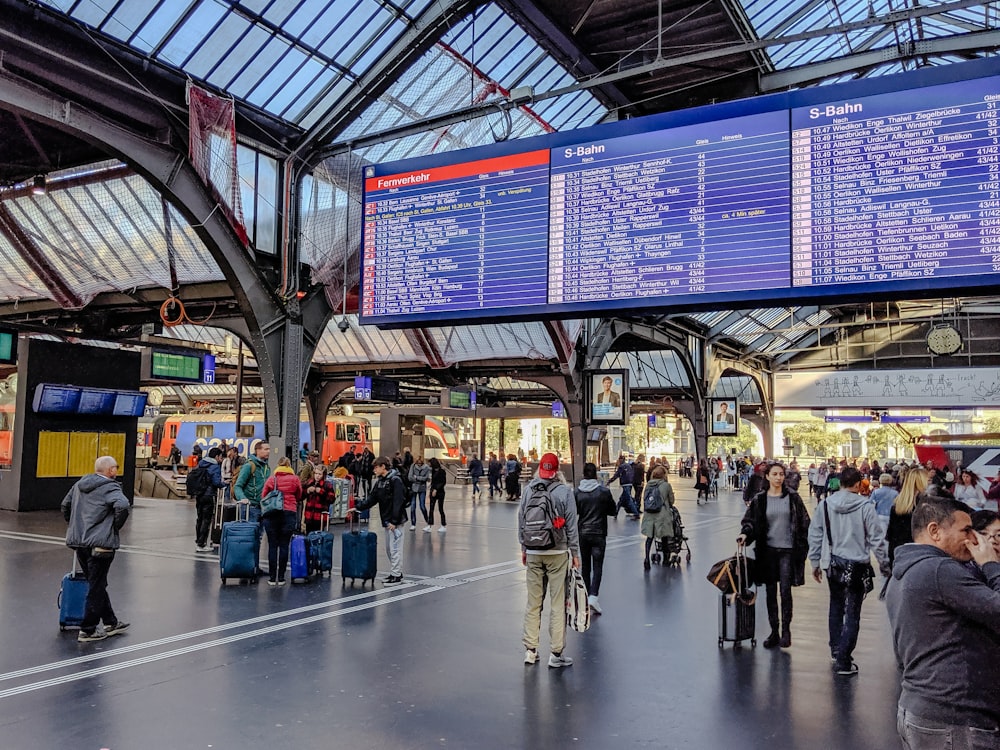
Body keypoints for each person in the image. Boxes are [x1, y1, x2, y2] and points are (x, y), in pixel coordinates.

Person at [886, 498, 1000, 748]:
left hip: (921, 709)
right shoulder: (939, 570)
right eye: (965, 530)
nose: (972, 539)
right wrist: (991, 565)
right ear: (934, 531)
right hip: (953, 717)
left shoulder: (905, 572)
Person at [808, 467, 890, 676]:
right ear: (857, 484)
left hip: (832, 561)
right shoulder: (865, 506)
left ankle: (836, 649)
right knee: (853, 610)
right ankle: (844, 658)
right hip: (857, 563)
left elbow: (816, 533)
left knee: (835, 605)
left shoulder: (825, 505)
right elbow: (876, 538)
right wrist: (884, 562)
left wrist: (815, 561)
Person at [738, 462, 811, 648]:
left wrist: (803, 546)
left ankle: (786, 630)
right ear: (767, 477)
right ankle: (774, 631)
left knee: (785, 591)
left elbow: (804, 522)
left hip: (788, 550)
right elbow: (750, 521)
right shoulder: (760, 500)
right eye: (775, 474)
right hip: (767, 551)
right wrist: (745, 533)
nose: (779, 477)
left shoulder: (793, 498)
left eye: (781, 474)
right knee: (770, 593)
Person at [519, 453, 581, 668]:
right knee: (557, 603)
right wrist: (575, 554)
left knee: (533, 603)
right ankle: (556, 654)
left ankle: (530, 650)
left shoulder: (528, 490)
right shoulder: (564, 492)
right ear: (557, 470)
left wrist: (524, 547)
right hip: (557, 553)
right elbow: (572, 526)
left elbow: (521, 521)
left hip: (534, 551)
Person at [62, 456, 131, 643]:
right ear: (110, 471)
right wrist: (113, 526)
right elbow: (123, 506)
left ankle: (111, 622)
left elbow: (65, 505)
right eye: (116, 467)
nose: (116, 470)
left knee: (96, 583)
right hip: (101, 543)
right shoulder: (110, 486)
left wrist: (75, 526)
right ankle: (88, 629)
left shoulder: (79, 484)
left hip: (80, 542)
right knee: (97, 586)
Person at [355, 457, 408, 584]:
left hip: (394, 521)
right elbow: (373, 499)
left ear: (383, 467)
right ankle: (396, 573)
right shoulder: (381, 481)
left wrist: (394, 521)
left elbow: (398, 501)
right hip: (388, 520)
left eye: (376, 467)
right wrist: (358, 507)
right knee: (390, 548)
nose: (374, 470)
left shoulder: (395, 481)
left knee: (394, 548)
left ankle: (396, 574)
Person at [575, 462, 615, 614]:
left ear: (584, 474)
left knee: (585, 565)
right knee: (598, 566)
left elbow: (575, 511)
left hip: (583, 532)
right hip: (599, 533)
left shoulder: (577, 492)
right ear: (596, 475)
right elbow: (613, 511)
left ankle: (584, 596)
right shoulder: (603, 492)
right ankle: (593, 596)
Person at [260, 457, 302, 586]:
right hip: (289, 513)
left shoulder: (272, 479)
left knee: (273, 545)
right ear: (289, 466)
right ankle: (282, 577)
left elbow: (264, 496)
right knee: (284, 545)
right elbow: (299, 495)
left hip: (272, 514)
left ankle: (272, 578)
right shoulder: (295, 479)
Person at [233, 441, 272, 576]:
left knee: (258, 538)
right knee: (249, 538)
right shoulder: (249, 466)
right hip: (251, 508)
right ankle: (247, 566)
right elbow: (238, 485)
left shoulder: (266, 467)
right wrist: (243, 499)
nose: (268, 451)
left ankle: (254, 566)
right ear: (257, 450)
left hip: (262, 507)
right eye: (266, 449)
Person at [887, 467, 929, 567]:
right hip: (921, 557)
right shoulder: (926, 506)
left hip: (900, 555)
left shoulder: (897, 506)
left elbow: (891, 536)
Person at [641, 465, 677, 570]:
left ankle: (646, 559)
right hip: (661, 515)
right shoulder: (666, 485)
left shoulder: (648, 485)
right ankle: (666, 559)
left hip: (649, 514)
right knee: (664, 537)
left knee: (649, 538)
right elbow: (671, 501)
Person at [192, 446, 225, 552]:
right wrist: (223, 484)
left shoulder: (201, 464)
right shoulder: (215, 467)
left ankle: (198, 541)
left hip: (199, 494)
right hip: (209, 495)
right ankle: (202, 544)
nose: (221, 459)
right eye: (220, 457)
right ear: (216, 456)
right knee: (207, 520)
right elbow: (216, 482)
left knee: (200, 518)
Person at [302, 463, 335, 533]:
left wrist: (321, 492)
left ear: (323, 475)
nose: (317, 476)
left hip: (321, 516)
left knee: (318, 537)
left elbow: (332, 499)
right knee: (309, 536)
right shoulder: (309, 482)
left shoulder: (327, 485)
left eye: (319, 474)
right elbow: (301, 496)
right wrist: (307, 491)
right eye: (316, 473)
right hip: (309, 515)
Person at [408, 456, 430, 530]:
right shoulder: (413, 466)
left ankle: (428, 522)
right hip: (414, 488)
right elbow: (410, 477)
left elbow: (426, 478)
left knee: (422, 506)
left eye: (420, 463)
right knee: (413, 506)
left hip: (422, 488)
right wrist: (421, 478)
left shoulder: (427, 468)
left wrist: (416, 477)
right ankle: (413, 523)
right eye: (418, 463)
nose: (419, 465)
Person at [427, 456, 448, 532]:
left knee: (440, 508)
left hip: (440, 492)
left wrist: (436, 489)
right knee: (431, 508)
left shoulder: (442, 471)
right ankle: (429, 525)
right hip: (433, 491)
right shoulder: (433, 471)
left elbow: (443, 482)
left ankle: (443, 524)